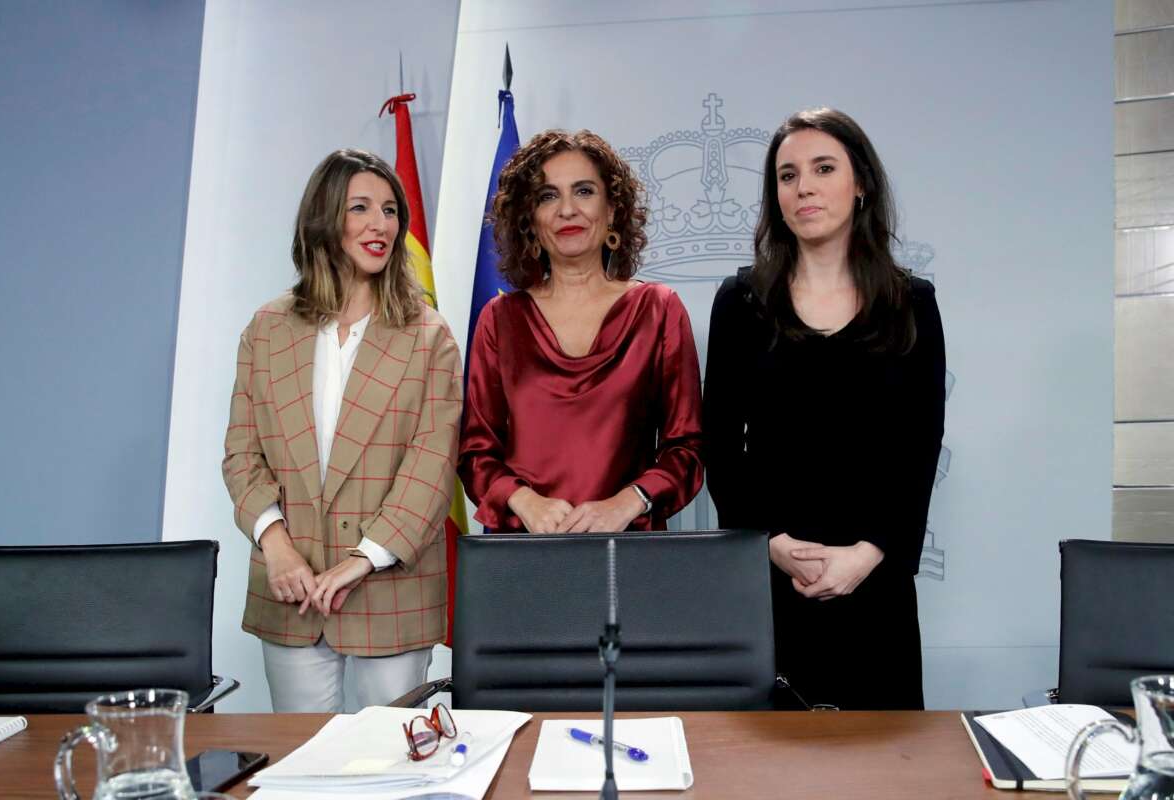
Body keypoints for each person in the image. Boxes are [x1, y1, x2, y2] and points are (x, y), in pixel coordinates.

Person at [703, 108, 945, 710]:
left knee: (882, 769)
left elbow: (919, 446)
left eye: (822, 168)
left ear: (860, 183)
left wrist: (868, 554)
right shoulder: (741, 303)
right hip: (770, 579)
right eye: (787, 176)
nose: (803, 186)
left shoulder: (911, 302)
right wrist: (770, 543)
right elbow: (721, 444)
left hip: (875, 583)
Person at [222, 149, 462, 712]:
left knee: (396, 764)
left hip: (389, 586)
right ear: (324, 218)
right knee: (303, 765)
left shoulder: (429, 336)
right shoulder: (267, 329)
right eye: (360, 208)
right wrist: (276, 547)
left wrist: (363, 559)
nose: (381, 225)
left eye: (390, 210)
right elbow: (241, 454)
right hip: (292, 588)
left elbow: (431, 466)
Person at [459, 129, 703, 533]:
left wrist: (628, 503)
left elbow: (687, 449)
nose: (567, 209)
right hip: (522, 561)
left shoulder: (658, 310)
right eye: (548, 196)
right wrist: (525, 503)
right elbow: (475, 454)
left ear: (611, 211)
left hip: (629, 559)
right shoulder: (499, 320)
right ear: (530, 221)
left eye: (584, 191)